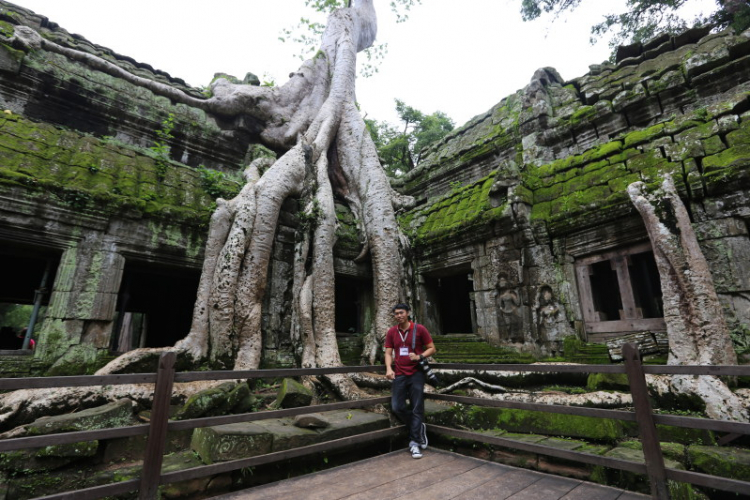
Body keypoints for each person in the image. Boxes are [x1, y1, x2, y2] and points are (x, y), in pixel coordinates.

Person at [385, 303, 436, 459]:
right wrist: (388, 368)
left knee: (416, 407)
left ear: (408, 313)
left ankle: (414, 443)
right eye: (396, 314)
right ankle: (418, 428)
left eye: (401, 312)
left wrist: (420, 356)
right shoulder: (392, 332)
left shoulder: (419, 329)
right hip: (399, 374)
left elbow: (432, 348)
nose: (398, 316)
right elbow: (388, 352)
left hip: (416, 374)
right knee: (397, 407)